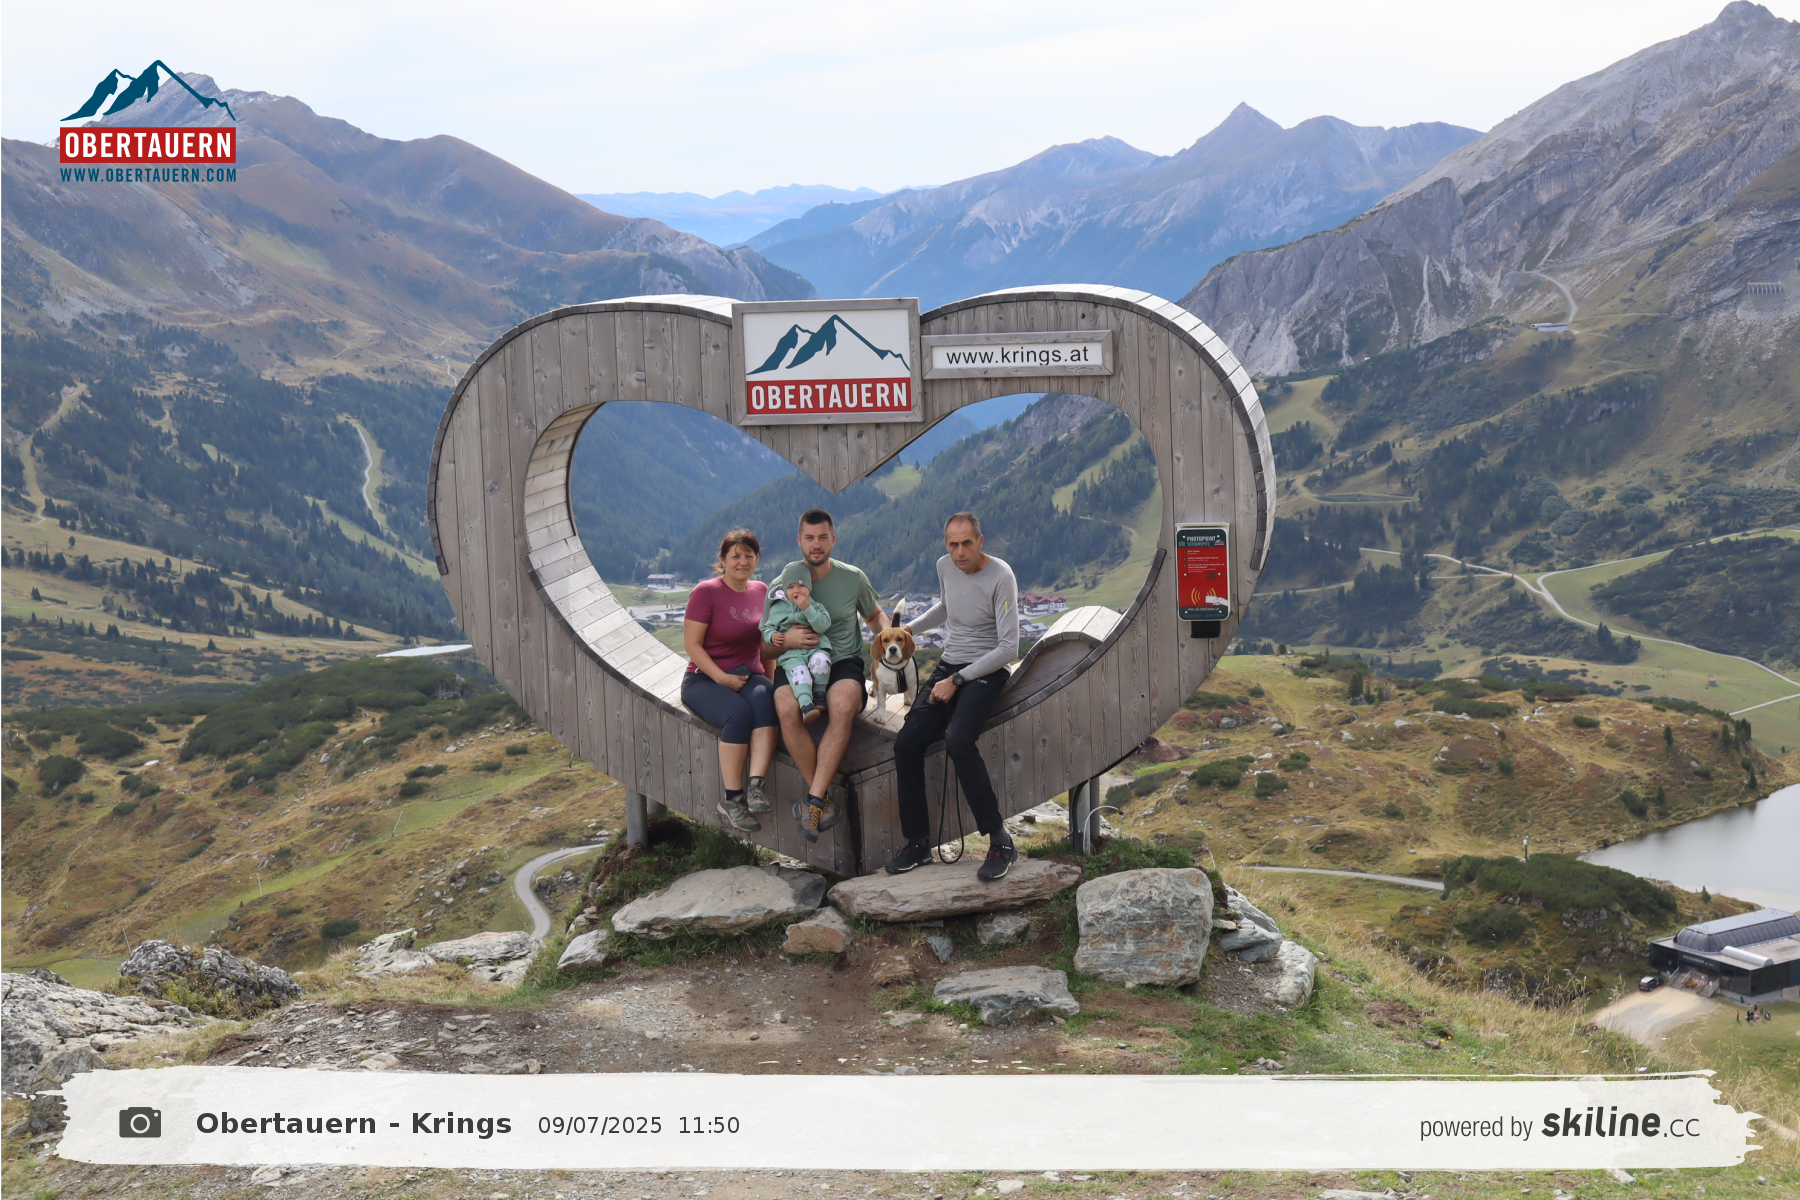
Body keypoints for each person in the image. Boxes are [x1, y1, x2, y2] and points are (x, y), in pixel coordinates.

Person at [884, 511, 1021, 882]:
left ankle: (1000, 840)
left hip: (987, 669)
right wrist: (909, 629)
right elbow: (946, 607)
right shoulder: (945, 566)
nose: (960, 552)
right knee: (906, 743)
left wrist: (958, 680)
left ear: (980, 541)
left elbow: (1009, 648)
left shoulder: (1001, 576)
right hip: (950, 664)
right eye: (953, 544)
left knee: (958, 739)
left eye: (966, 543)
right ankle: (917, 844)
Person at [767, 508, 890, 842]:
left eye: (823, 537)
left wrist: (890, 640)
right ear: (799, 541)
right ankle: (822, 801)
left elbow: (874, 615)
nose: (816, 544)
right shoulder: (781, 585)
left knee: (843, 705)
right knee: (786, 709)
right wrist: (786, 640)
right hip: (794, 661)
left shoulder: (853, 577)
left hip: (842, 661)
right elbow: (765, 645)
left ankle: (813, 800)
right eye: (809, 538)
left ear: (833, 539)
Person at [681, 527, 777, 833]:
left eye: (749, 555)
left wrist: (770, 683)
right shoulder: (706, 592)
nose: (742, 562)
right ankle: (732, 799)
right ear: (722, 560)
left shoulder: (761, 591)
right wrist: (721, 677)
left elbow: (765, 643)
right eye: (735, 556)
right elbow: (693, 644)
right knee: (738, 714)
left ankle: (756, 788)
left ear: (757, 559)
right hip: (704, 679)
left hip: (749, 675)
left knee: (769, 702)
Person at [760, 580, 833, 722]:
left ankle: (819, 694)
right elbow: (767, 627)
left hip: (815, 648)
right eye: (791, 587)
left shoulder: (815, 606)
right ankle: (806, 705)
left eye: (802, 586)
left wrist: (807, 608)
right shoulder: (777, 607)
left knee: (821, 662)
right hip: (791, 654)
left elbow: (823, 626)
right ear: (784, 590)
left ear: (809, 589)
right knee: (799, 673)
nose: (797, 590)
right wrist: (772, 636)